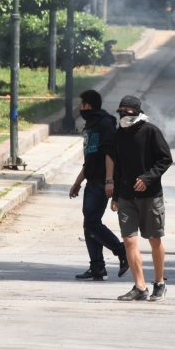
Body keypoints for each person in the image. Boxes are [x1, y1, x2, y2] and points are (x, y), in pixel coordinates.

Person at [111, 96, 173, 301]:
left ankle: (160, 283)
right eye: (121, 110)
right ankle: (140, 286)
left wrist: (148, 178)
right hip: (127, 197)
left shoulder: (150, 131)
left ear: (137, 111)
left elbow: (166, 159)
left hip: (150, 195)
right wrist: (116, 195)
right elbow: (119, 166)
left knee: (154, 240)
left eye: (128, 110)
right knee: (129, 240)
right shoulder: (119, 134)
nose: (124, 114)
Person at [69, 90, 129, 281]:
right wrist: (78, 182)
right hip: (91, 180)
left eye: (82, 104)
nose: (80, 108)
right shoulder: (90, 125)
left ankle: (121, 251)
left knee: (92, 222)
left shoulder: (105, 123)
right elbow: (91, 158)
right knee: (89, 224)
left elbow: (109, 153)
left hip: (102, 182)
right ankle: (97, 267)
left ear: (88, 105)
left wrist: (109, 180)